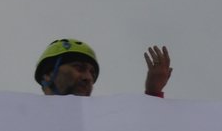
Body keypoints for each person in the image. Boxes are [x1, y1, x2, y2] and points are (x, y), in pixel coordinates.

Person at [34, 39, 172, 97]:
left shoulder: (102, 124)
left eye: (92, 73)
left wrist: (154, 93)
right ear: (48, 73)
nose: (88, 78)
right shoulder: (22, 120)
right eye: (79, 68)